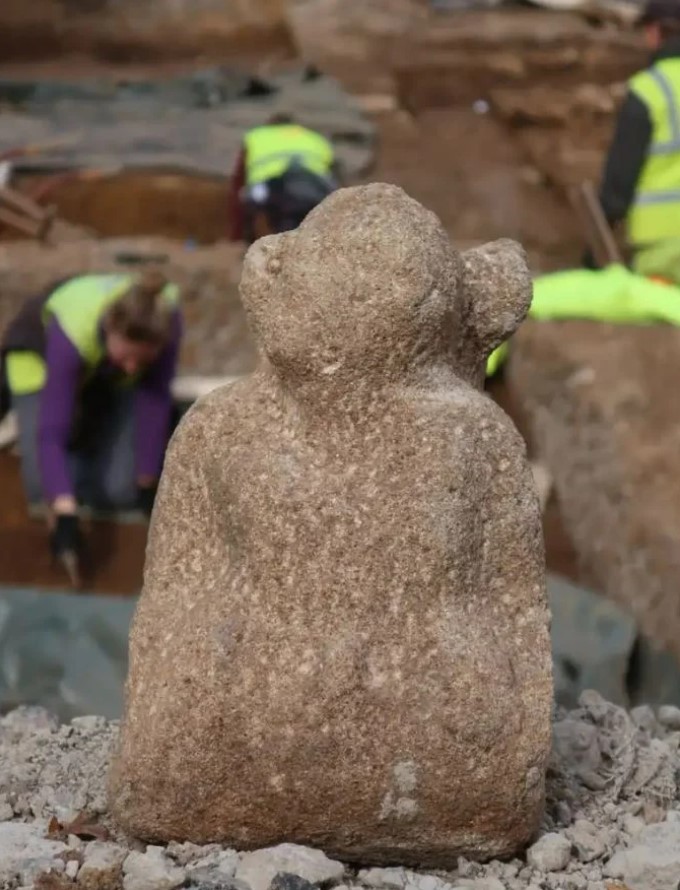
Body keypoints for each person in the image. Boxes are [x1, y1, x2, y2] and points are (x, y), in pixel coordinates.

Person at [0, 268, 182, 565]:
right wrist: (64, 513)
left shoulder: (165, 319)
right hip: (37, 355)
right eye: (127, 356)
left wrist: (147, 480)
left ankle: (86, 468)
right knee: (42, 486)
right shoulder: (73, 329)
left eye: (143, 359)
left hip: (101, 365)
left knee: (122, 490)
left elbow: (154, 399)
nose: (133, 367)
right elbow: (51, 433)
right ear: (110, 328)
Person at [596, 0, 680, 274]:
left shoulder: (650, 90)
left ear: (655, 32)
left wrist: (596, 246)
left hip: (662, 251)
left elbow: (619, 182)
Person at [228, 113, 338, 244]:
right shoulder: (315, 137)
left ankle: (248, 243)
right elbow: (333, 170)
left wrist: (236, 234)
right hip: (314, 187)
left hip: (273, 187)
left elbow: (239, 180)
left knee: (249, 202)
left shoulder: (256, 136)